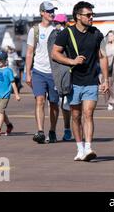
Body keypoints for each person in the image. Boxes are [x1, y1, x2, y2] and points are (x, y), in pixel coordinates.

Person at [52, 1, 109, 162]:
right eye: (88, 15)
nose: (91, 17)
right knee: (75, 116)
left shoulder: (96, 33)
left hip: (91, 80)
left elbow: (103, 56)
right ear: (78, 16)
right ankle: (80, 148)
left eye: (92, 15)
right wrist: (72, 61)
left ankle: (89, 147)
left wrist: (106, 79)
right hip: (73, 81)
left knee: (88, 114)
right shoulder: (66, 33)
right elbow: (55, 53)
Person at [25, 1, 60, 144]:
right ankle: (40, 131)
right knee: (39, 100)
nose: (51, 13)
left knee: (53, 104)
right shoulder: (34, 30)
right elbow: (29, 53)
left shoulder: (57, 31)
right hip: (39, 71)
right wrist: (28, 73)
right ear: (42, 13)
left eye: (53, 11)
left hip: (54, 72)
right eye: (48, 11)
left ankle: (52, 130)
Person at [49, 13, 73, 141]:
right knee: (53, 103)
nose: (58, 26)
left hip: (66, 71)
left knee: (65, 103)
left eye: (61, 23)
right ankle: (52, 131)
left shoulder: (69, 34)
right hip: (53, 72)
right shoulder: (52, 35)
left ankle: (67, 129)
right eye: (57, 23)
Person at [0, 52, 21, 136]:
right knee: (2, 111)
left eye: (0, 59)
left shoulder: (8, 71)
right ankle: (9, 125)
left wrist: (16, 95)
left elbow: (13, 83)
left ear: (5, 60)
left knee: (0, 111)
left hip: (5, 94)